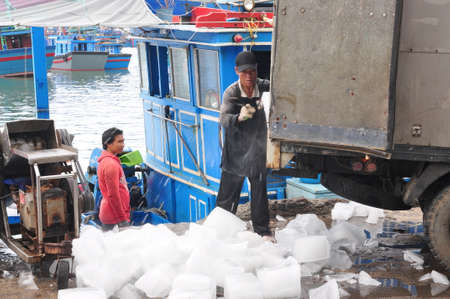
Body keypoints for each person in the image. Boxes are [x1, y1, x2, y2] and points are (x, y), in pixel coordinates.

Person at [217, 51, 271, 237]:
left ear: (257, 70)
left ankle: (262, 232)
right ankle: (220, 233)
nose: (249, 76)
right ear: (236, 72)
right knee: (227, 196)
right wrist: (239, 117)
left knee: (259, 195)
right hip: (235, 151)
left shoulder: (264, 87)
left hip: (257, 150)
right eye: (244, 72)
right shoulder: (231, 92)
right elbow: (223, 119)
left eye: (252, 71)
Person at [97, 127, 130, 231]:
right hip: (113, 217)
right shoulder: (111, 165)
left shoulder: (108, 161)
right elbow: (113, 195)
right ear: (108, 144)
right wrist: (122, 219)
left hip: (112, 213)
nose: (123, 145)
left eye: (123, 141)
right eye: (119, 142)